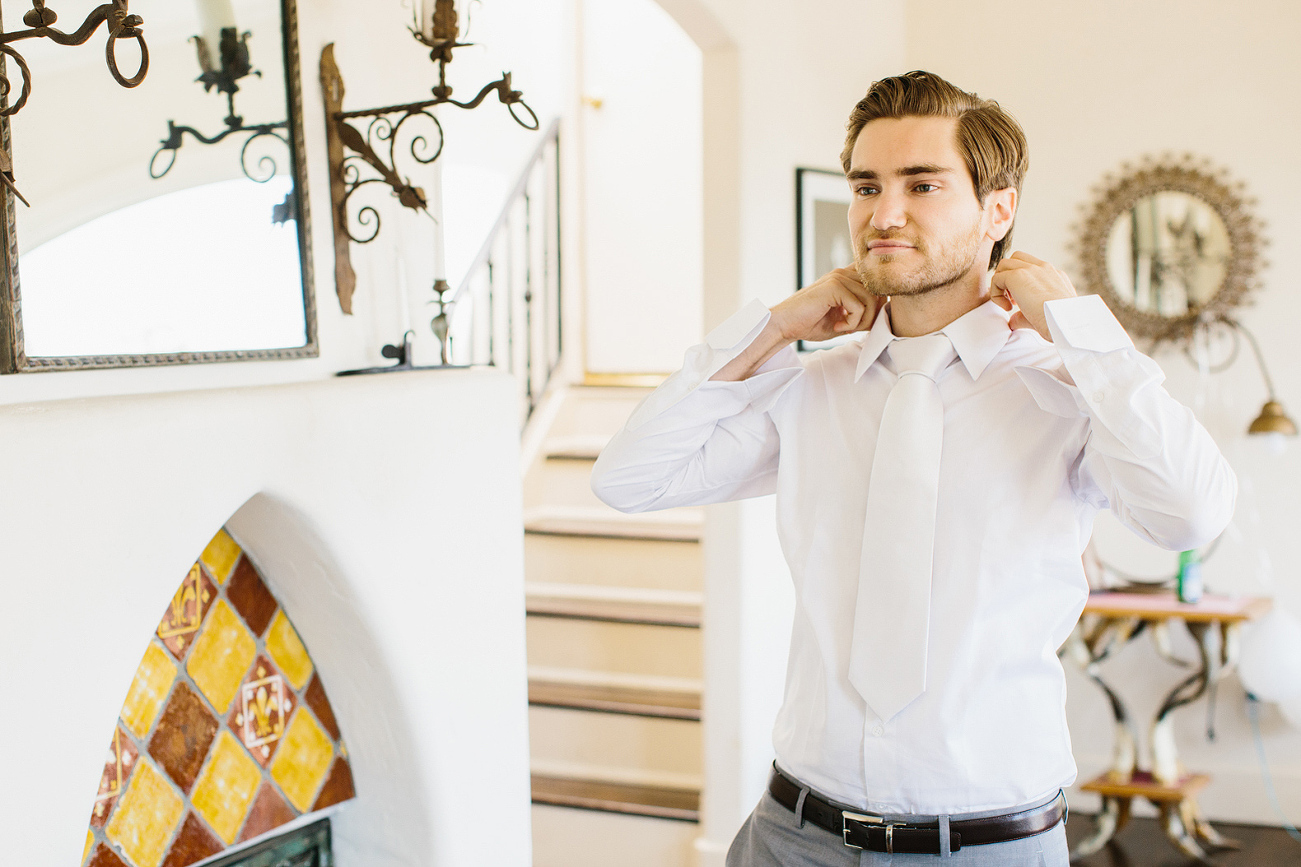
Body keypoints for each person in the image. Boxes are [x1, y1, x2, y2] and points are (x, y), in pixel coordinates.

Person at [590, 71, 1236, 865]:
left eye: (921, 184)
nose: (882, 214)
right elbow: (628, 476)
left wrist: (1079, 332)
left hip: (987, 844)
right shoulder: (812, 384)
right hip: (792, 834)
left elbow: (1192, 515)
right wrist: (772, 327)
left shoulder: (1066, 390)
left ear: (997, 209)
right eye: (866, 186)